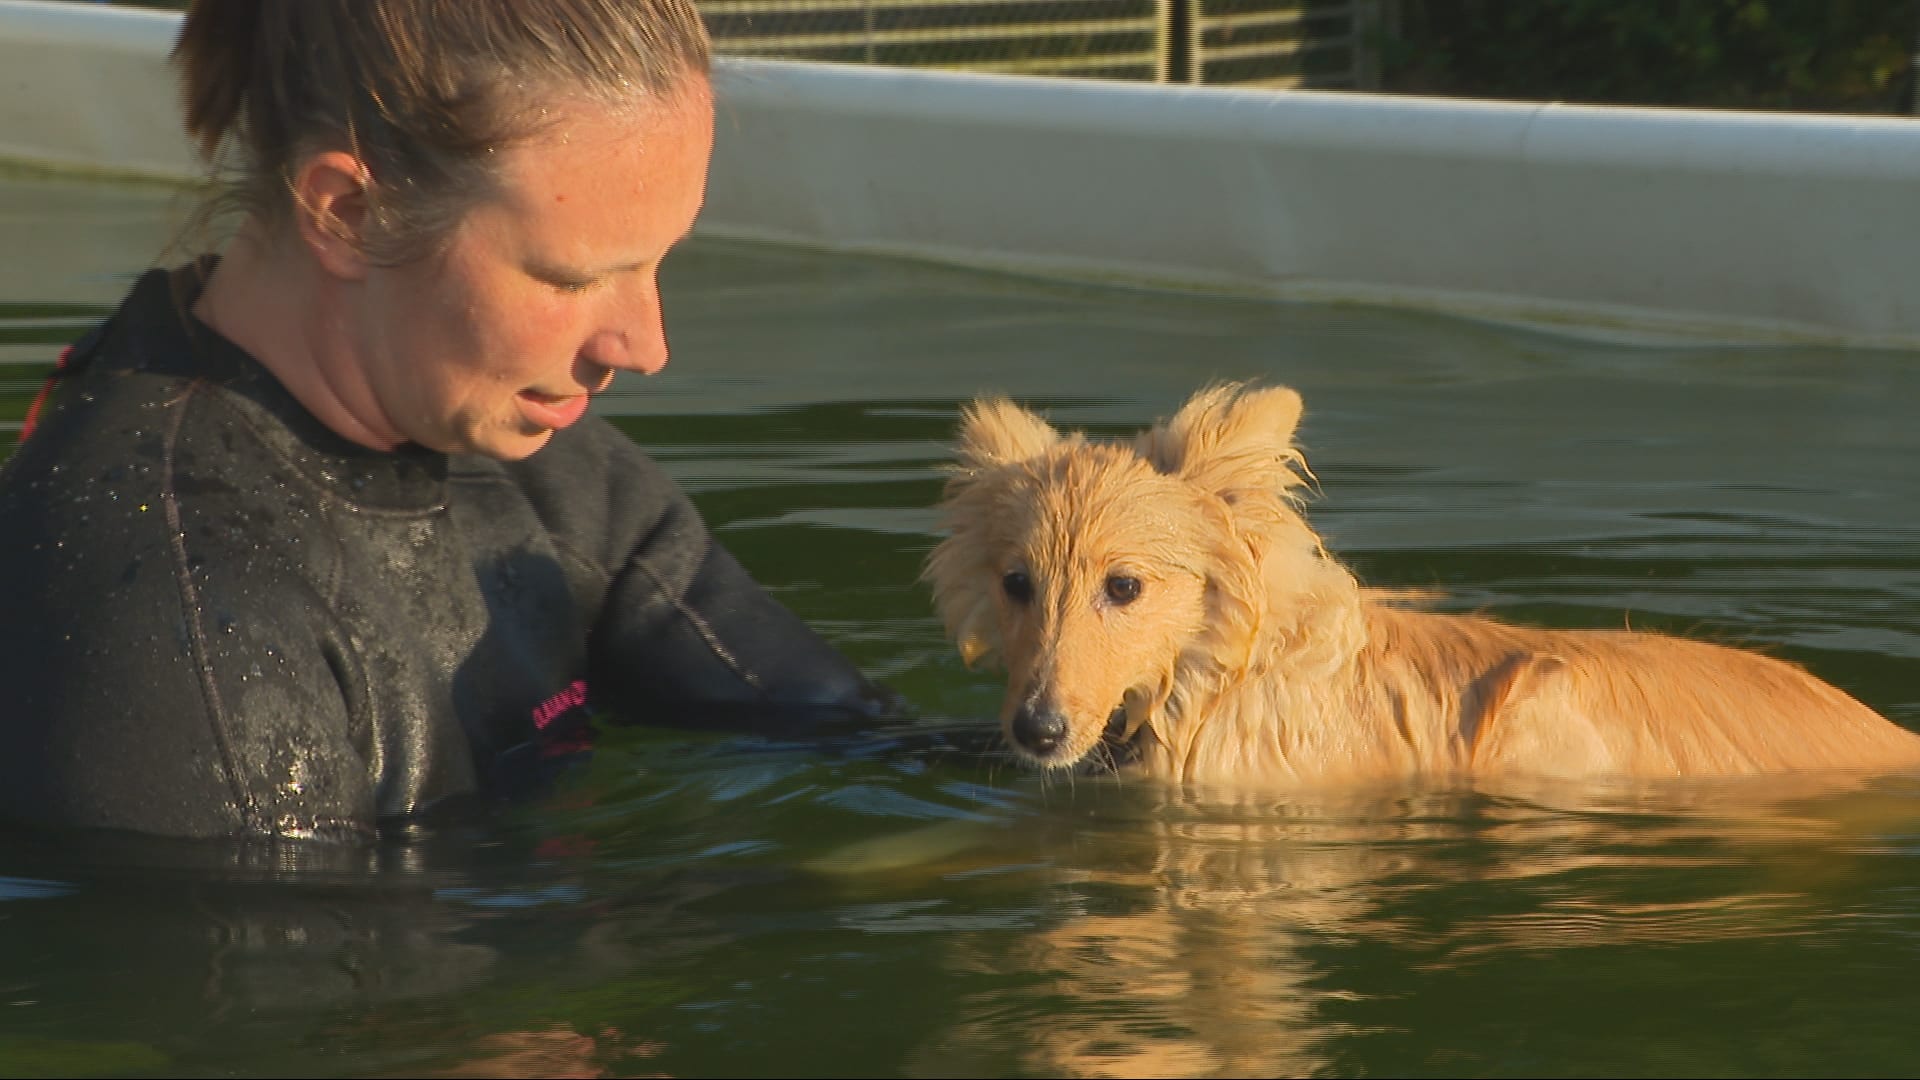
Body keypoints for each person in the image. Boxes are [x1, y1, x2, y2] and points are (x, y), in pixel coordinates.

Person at [0, 0, 899, 843]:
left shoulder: (545, 476)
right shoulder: (174, 622)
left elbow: (871, 754)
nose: (646, 345)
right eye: (572, 278)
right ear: (349, 215)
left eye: (659, 263)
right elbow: (299, 1000)